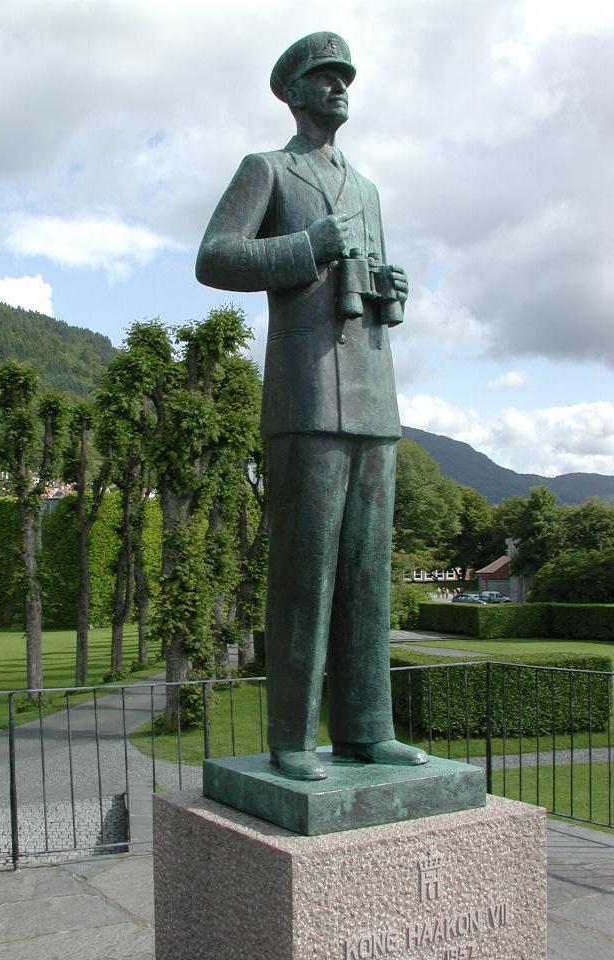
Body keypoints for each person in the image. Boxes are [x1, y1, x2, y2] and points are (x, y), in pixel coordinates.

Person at [196, 32, 427, 780]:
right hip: (304, 398)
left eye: (344, 77)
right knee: (304, 577)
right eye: (324, 77)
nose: (339, 86)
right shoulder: (267, 170)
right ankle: (292, 740)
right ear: (293, 92)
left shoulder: (369, 190)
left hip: (373, 396)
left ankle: (366, 729)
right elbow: (215, 257)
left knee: (367, 578)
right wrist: (307, 244)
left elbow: (367, 290)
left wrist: (390, 295)